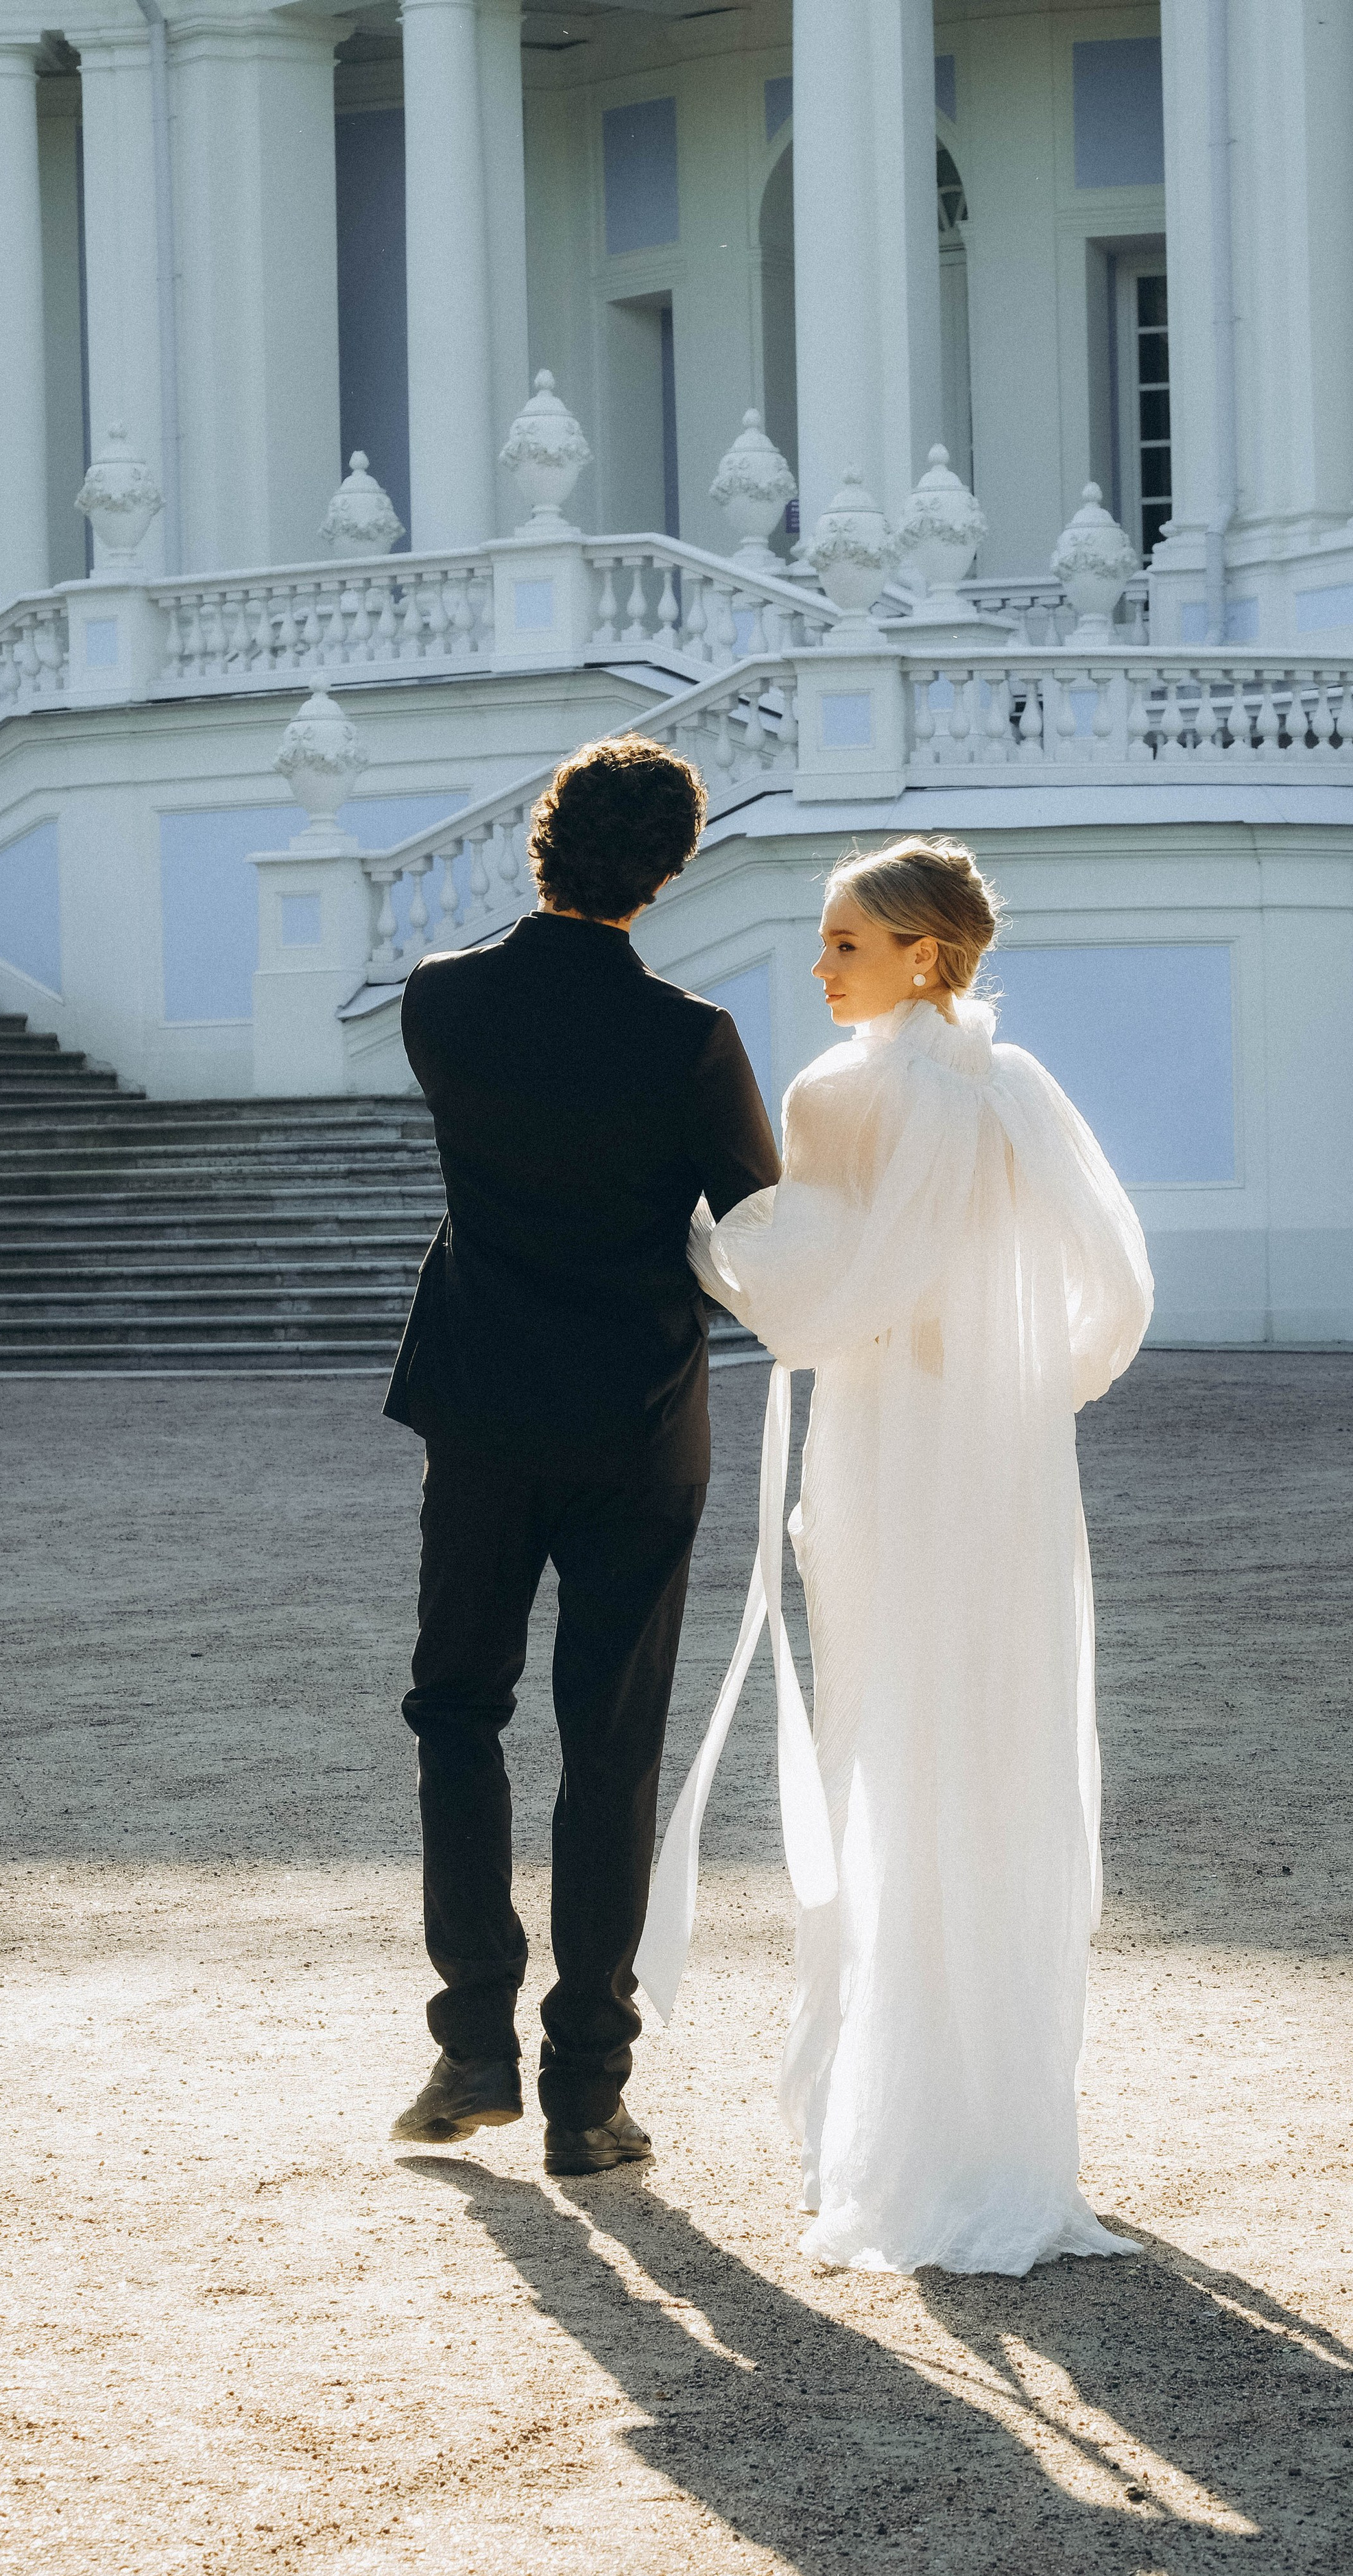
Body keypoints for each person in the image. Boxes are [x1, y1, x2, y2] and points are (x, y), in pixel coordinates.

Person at [638, 837, 1153, 2275]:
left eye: (846, 943)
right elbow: (1116, 1284)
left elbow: (805, 1294)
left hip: (880, 1452)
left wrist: (699, 1239)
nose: (820, 966)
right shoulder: (1017, 1085)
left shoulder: (833, 1093)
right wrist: (1029, 1386)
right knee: (997, 1746)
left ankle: (904, 2137)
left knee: (888, 1744)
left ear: (924, 954)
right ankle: (1002, 2131)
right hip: (1001, 1462)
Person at [385, 734, 780, 2176]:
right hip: (637, 1418)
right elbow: (761, 1221)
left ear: (539, 839)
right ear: (670, 871)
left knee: (455, 1710)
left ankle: (470, 2042)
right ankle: (586, 2093)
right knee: (608, 1744)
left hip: (482, 1402)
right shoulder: (691, 1039)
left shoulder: (440, 1000)